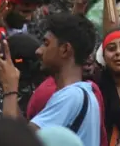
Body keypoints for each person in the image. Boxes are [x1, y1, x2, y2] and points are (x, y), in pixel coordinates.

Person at [29, 13, 100, 146]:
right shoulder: (84, 94)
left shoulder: (70, 97)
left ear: (65, 50)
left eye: (46, 43)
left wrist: (10, 89)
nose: (38, 51)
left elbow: (19, 141)